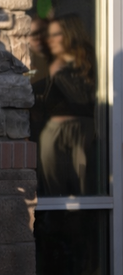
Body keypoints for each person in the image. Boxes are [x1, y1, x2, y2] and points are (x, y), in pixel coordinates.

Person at [31, 14, 96, 196]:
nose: (49, 40)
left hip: (81, 131)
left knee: (83, 188)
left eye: (56, 34)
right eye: (48, 35)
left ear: (70, 35)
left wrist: (60, 73)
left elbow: (82, 100)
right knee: (53, 189)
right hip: (52, 131)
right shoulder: (50, 64)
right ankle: (57, 223)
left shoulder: (88, 64)